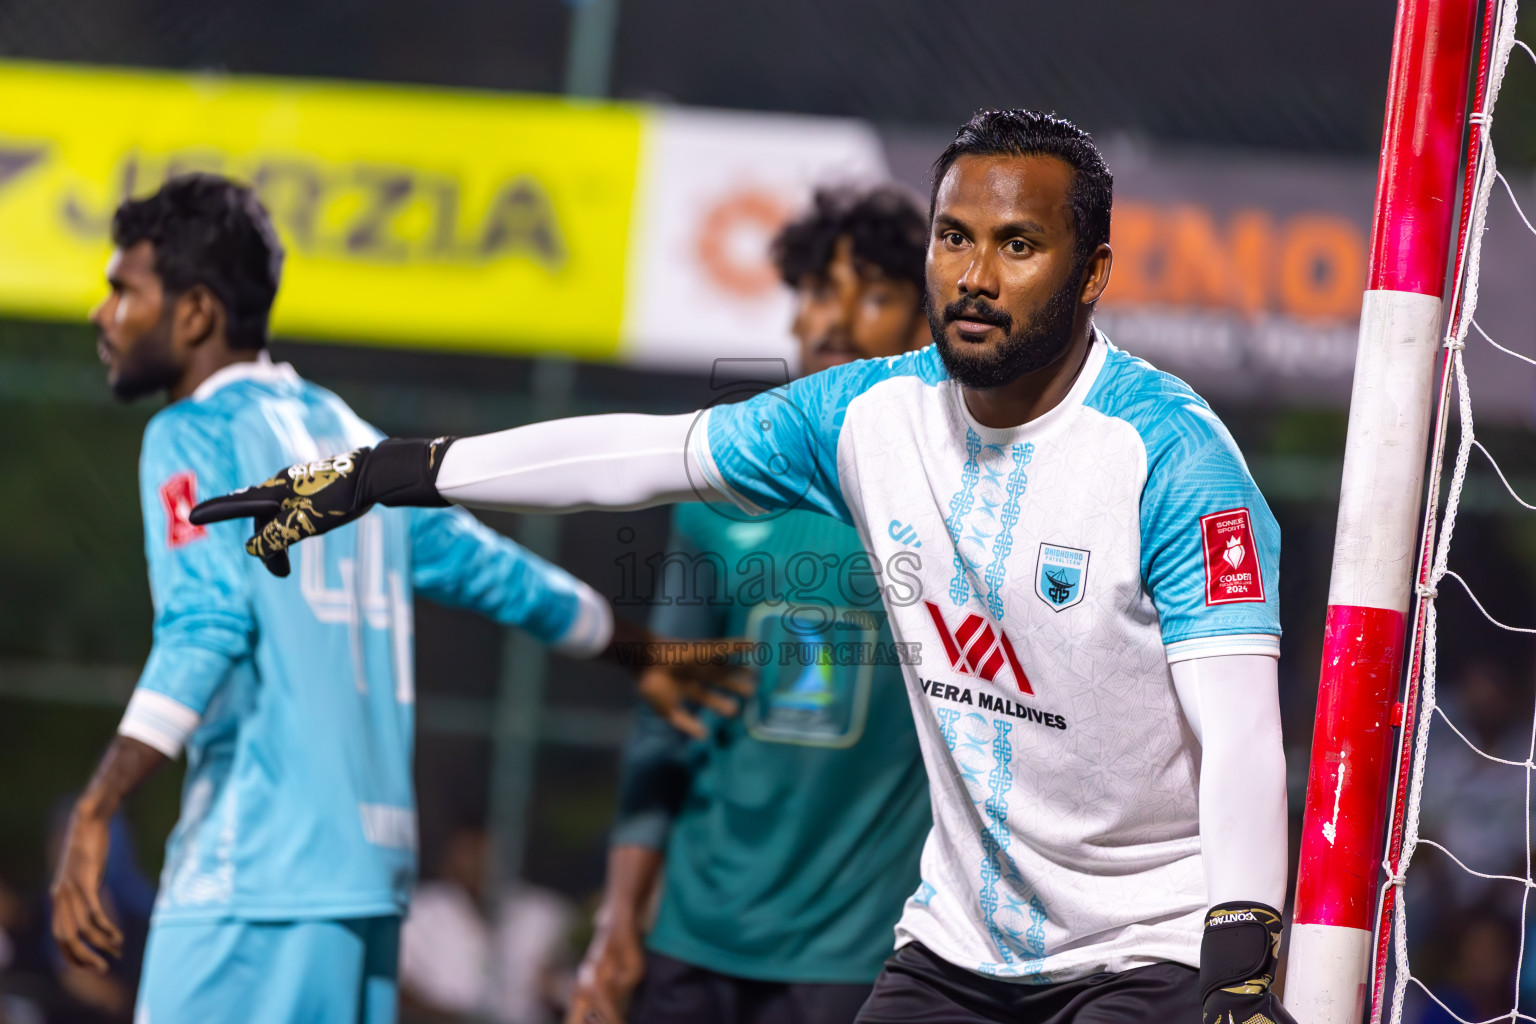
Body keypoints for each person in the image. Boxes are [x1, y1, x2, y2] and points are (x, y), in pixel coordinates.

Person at [195, 110, 1297, 1024]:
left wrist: (1242, 958)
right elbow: (638, 454)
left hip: (1146, 945)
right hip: (958, 944)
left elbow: (1240, 731)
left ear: (1093, 271)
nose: (973, 274)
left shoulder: (1173, 459)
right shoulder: (866, 414)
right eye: (953, 237)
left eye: (1018, 245)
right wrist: (396, 468)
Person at [49, 173, 744, 1024]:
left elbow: (207, 622)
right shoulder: (351, 438)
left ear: (193, 313)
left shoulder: (189, 432)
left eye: (122, 290)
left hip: (254, 876)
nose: (101, 313)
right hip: (369, 883)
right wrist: (635, 650)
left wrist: (97, 806)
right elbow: (489, 567)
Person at [567, 187, 934, 1024]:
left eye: (874, 296)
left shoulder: (953, 503)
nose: (835, 321)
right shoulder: (719, 485)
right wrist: (618, 919)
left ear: (924, 329)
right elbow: (664, 715)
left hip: (858, 952)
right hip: (694, 940)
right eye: (815, 293)